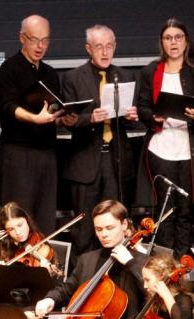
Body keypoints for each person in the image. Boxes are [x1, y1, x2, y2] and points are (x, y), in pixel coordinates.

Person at [136, 18, 194, 257]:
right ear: (161, 42)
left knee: (185, 210)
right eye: (168, 38)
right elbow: (142, 107)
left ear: (186, 41)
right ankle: (164, 263)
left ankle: (182, 264)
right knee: (165, 211)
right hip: (161, 148)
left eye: (178, 37)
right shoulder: (150, 70)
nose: (173, 42)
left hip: (188, 148)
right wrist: (154, 117)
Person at [62, 24, 140, 257]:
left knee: (117, 223)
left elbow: (132, 123)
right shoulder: (73, 77)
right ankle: (85, 282)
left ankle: (118, 280)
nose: (105, 52)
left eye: (109, 46)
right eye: (98, 47)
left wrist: (131, 117)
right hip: (86, 160)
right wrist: (90, 118)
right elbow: (66, 118)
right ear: (88, 49)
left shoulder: (125, 76)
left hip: (117, 159)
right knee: (85, 228)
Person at [0, 14, 77, 234]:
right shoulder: (9, 69)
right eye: (34, 39)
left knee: (45, 215)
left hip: (47, 152)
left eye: (45, 40)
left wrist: (62, 118)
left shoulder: (50, 73)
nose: (40, 46)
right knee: (18, 216)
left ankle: (43, 263)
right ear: (22, 38)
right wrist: (34, 118)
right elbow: (7, 106)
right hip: (19, 152)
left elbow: (53, 109)